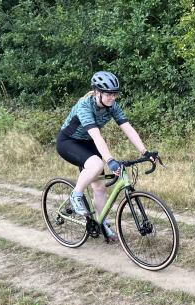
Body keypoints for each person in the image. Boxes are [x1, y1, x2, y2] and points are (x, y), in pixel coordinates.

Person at [56, 71, 157, 240]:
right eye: (108, 94)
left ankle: (101, 224)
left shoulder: (112, 106)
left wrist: (145, 152)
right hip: (68, 142)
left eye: (115, 93)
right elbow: (97, 136)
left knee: (100, 188)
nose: (112, 97)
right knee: (96, 165)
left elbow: (128, 128)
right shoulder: (85, 105)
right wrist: (110, 160)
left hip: (87, 143)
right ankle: (76, 195)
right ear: (97, 92)